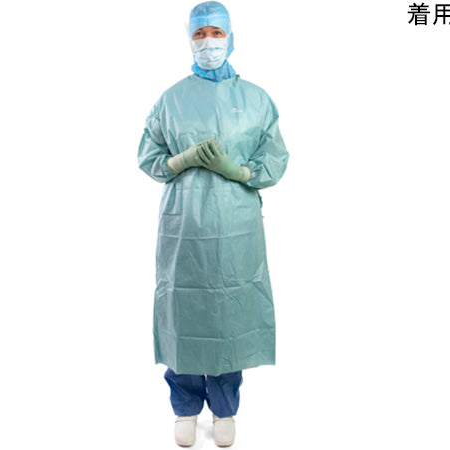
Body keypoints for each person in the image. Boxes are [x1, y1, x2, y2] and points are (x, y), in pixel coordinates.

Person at [138, 1, 289, 447]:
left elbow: (274, 159)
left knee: (229, 313)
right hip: (185, 225)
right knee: (184, 310)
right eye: (199, 33)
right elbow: (148, 154)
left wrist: (239, 171)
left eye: (216, 33)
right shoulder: (171, 100)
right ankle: (184, 406)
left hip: (236, 226)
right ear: (189, 39)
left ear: (231, 37)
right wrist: (177, 161)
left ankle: (224, 407)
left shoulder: (256, 99)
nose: (208, 42)